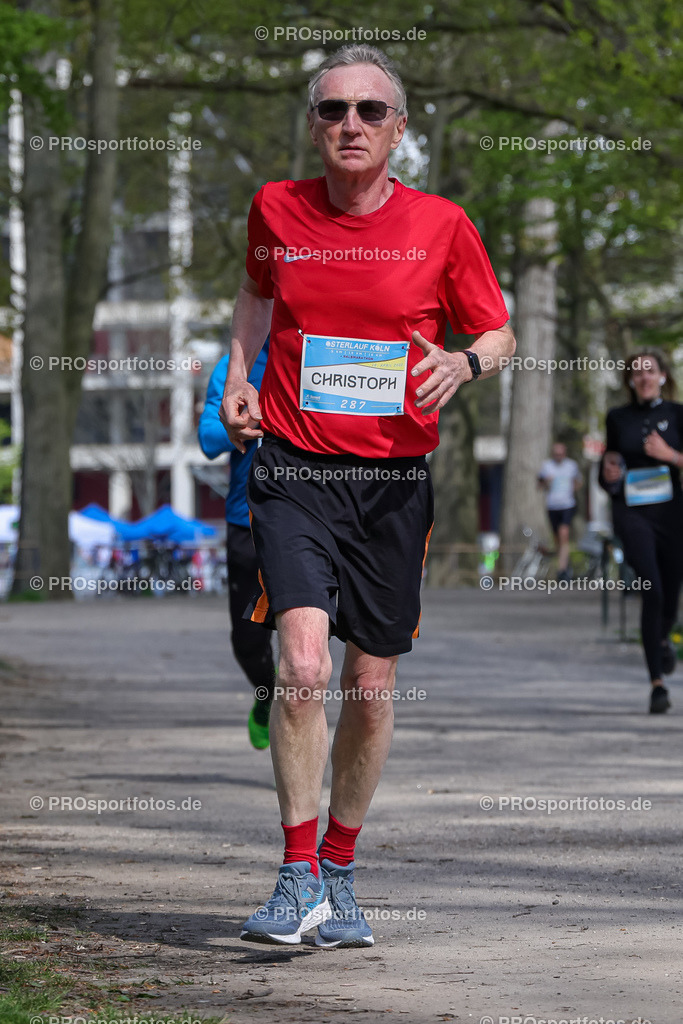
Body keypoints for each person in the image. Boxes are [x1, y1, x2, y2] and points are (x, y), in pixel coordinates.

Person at [220, 44, 516, 947]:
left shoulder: (441, 224)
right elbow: (252, 293)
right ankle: (294, 872)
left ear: (398, 128)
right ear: (314, 123)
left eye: (370, 112)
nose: (350, 125)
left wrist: (462, 362)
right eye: (333, 109)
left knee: (370, 681)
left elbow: (500, 331)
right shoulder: (275, 206)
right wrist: (238, 376)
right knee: (302, 667)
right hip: (295, 473)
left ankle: (340, 871)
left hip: (390, 486)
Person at [198, 339, 276, 748]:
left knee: (312, 645)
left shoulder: (321, 352)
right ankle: (266, 694)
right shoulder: (234, 366)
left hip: (314, 515)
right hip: (245, 521)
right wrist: (240, 424)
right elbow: (209, 438)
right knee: (248, 642)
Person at [600, 349, 683, 714]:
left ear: (663, 375)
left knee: (670, 593)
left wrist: (672, 456)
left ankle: (663, 639)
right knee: (651, 588)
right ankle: (657, 685)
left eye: (650, 371)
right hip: (633, 515)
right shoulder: (617, 418)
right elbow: (607, 466)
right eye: (637, 373)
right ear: (630, 381)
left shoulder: (678, 414)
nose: (644, 378)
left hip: (672, 515)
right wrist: (608, 477)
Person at [538, 442, 582, 581]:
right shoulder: (547, 466)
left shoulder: (571, 466)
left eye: (561, 454)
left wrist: (571, 491)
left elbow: (578, 481)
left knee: (564, 534)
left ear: (565, 454)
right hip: (552, 506)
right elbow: (539, 485)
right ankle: (565, 566)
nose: (559, 457)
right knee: (557, 539)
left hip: (567, 505)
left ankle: (562, 570)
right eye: (556, 454)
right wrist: (546, 482)